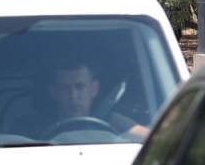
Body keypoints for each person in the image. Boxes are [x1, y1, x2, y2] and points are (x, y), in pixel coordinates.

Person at [15, 60, 149, 140]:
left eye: (80, 87)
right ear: (53, 92)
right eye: (65, 88)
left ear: (94, 89)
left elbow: (154, 140)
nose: (73, 95)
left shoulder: (112, 121)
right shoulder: (31, 127)